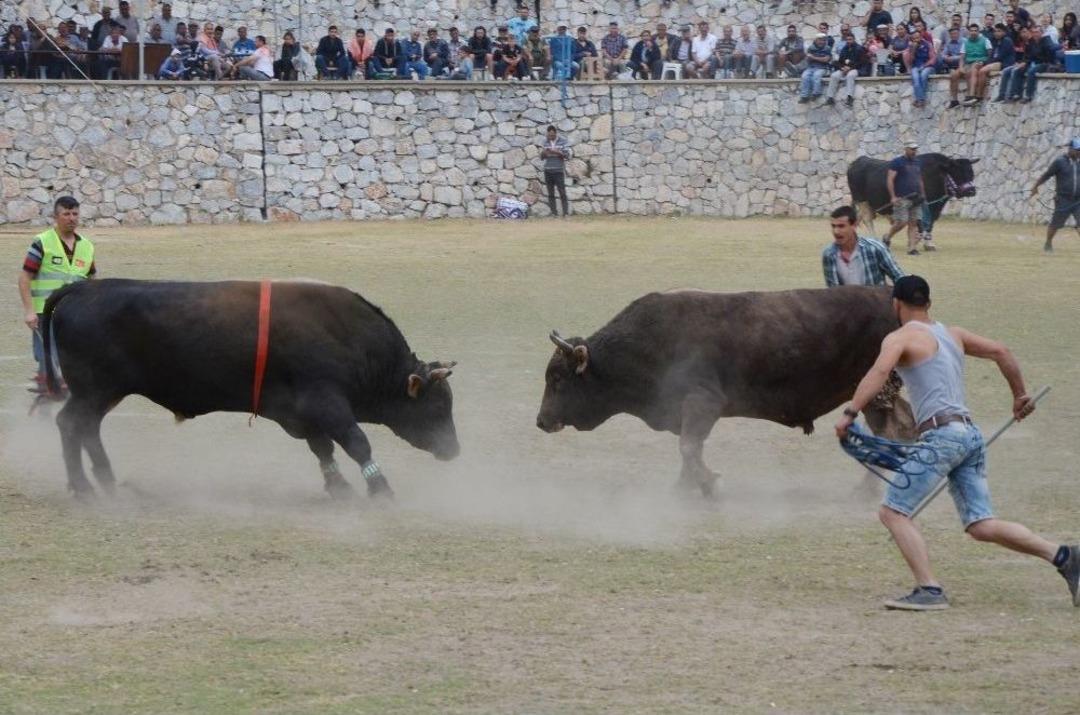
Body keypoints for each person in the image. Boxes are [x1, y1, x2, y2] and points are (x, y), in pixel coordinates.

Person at [835, 275, 1080, 611]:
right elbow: (1001, 351)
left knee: (893, 512)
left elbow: (878, 374)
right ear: (928, 303)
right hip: (969, 435)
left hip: (942, 438)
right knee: (981, 525)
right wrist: (1019, 395)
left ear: (896, 304)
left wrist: (850, 414)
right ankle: (1065, 556)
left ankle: (930, 589)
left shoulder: (900, 338)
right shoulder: (954, 335)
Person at [17, 196, 97, 392]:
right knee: (48, 358)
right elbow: (25, 277)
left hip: (75, 315)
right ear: (56, 216)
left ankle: (58, 395)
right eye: (66, 214)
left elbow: (92, 281)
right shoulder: (42, 242)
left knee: (74, 359)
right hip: (45, 313)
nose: (71, 218)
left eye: (75, 214)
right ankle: (47, 396)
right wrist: (29, 311)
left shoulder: (87, 246)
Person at [822, 205, 904, 287]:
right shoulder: (829, 254)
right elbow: (832, 289)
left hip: (875, 295)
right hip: (843, 296)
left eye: (841, 226)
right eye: (833, 226)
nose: (836, 231)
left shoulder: (875, 248)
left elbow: (899, 278)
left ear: (854, 225)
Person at [1030, 138, 1080, 253]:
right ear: (1071, 149)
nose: (1079, 153)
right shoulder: (1059, 162)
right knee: (1055, 224)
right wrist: (1035, 187)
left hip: (1078, 200)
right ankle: (1048, 242)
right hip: (1063, 199)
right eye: (1078, 150)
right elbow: (1047, 175)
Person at [884, 142, 928, 255]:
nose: (914, 151)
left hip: (916, 198)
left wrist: (923, 194)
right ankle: (887, 237)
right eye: (912, 149)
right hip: (902, 198)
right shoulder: (897, 162)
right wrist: (893, 197)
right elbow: (890, 179)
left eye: (915, 149)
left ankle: (912, 248)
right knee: (901, 222)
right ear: (906, 149)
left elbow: (920, 179)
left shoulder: (918, 162)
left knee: (913, 223)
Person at [948, 24, 992, 108]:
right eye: (971, 31)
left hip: (980, 62)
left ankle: (971, 95)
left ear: (978, 32)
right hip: (968, 63)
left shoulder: (985, 40)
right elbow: (962, 57)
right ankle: (954, 100)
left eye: (975, 31)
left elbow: (990, 55)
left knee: (972, 70)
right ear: (969, 32)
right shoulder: (966, 42)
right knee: (954, 75)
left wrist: (984, 62)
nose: (973, 32)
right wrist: (961, 67)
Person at [826, 30, 867, 107]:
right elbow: (840, 61)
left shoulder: (859, 49)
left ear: (854, 39)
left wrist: (850, 68)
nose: (848, 41)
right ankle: (830, 97)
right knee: (834, 75)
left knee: (850, 75)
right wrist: (842, 68)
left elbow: (862, 62)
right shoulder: (844, 49)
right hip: (844, 69)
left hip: (856, 69)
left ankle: (849, 97)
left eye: (850, 39)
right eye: (847, 39)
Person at [540, 125, 571, 217]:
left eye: (552, 135)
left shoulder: (563, 141)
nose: (551, 137)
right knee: (550, 193)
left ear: (556, 133)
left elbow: (567, 156)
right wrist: (544, 153)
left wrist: (557, 152)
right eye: (549, 135)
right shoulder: (545, 142)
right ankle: (554, 213)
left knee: (562, 192)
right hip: (548, 170)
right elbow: (542, 158)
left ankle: (565, 213)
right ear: (547, 134)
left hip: (558, 170)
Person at [904, 31, 936, 108]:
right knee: (916, 79)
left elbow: (933, 59)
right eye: (914, 38)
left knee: (923, 75)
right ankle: (921, 100)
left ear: (921, 37)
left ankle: (919, 100)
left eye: (917, 37)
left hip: (928, 66)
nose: (916, 39)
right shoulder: (910, 47)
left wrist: (924, 66)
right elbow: (910, 62)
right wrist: (913, 51)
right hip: (915, 66)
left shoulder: (928, 44)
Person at [798, 33, 832, 103]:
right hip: (811, 67)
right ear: (816, 40)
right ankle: (804, 96)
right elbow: (808, 59)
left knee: (816, 75)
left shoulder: (827, 48)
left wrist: (813, 57)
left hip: (822, 68)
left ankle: (816, 93)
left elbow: (826, 59)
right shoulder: (811, 48)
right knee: (804, 76)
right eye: (820, 40)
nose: (821, 42)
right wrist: (809, 57)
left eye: (823, 40)